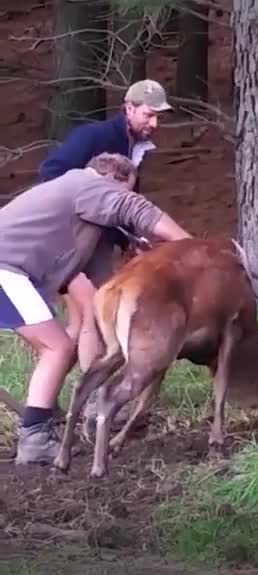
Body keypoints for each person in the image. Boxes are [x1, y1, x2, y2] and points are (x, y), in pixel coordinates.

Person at [0, 152, 191, 465]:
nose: (121, 202)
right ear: (110, 180)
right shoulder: (83, 183)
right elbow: (137, 209)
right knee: (57, 347)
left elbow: (106, 284)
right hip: (5, 268)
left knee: (63, 348)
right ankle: (34, 441)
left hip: (11, 271)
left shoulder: (86, 226)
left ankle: (40, 429)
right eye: (122, 193)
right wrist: (190, 245)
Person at [36, 79, 173, 373]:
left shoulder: (136, 147)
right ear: (128, 108)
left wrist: (129, 239)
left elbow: (123, 203)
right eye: (149, 114)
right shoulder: (93, 136)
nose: (155, 122)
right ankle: (92, 400)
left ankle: (51, 399)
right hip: (67, 241)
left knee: (86, 320)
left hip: (97, 244)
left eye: (158, 116)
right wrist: (79, 209)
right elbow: (51, 173)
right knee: (93, 312)